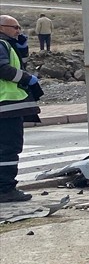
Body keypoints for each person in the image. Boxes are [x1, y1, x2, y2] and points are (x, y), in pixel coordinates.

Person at [0, 15, 41, 203]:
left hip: (7, 105)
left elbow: (17, 61)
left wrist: (23, 48)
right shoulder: (1, 44)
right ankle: (6, 189)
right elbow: (4, 69)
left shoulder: (7, 45)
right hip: (7, 105)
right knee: (9, 149)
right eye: (15, 27)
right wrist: (26, 78)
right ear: (2, 27)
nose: (19, 30)